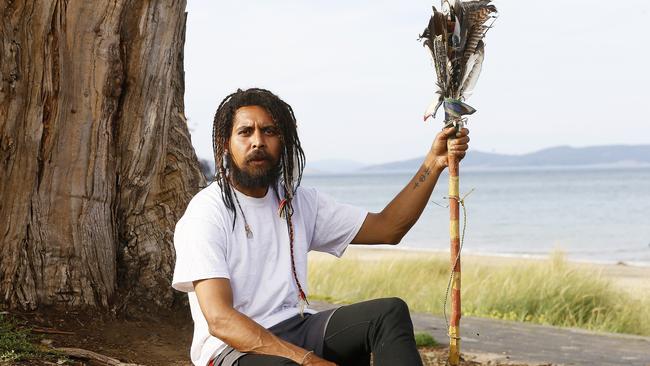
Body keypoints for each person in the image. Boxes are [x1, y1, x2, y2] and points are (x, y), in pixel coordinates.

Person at [172, 88, 469, 366]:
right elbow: (220, 319)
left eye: (269, 131)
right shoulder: (207, 212)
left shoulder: (299, 202)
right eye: (245, 132)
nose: (258, 141)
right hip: (232, 349)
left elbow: (388, 228)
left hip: (296, 325)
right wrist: (307, 360)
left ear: (283, 141)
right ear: (227, 143)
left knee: (388, 313)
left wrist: (435, 161)